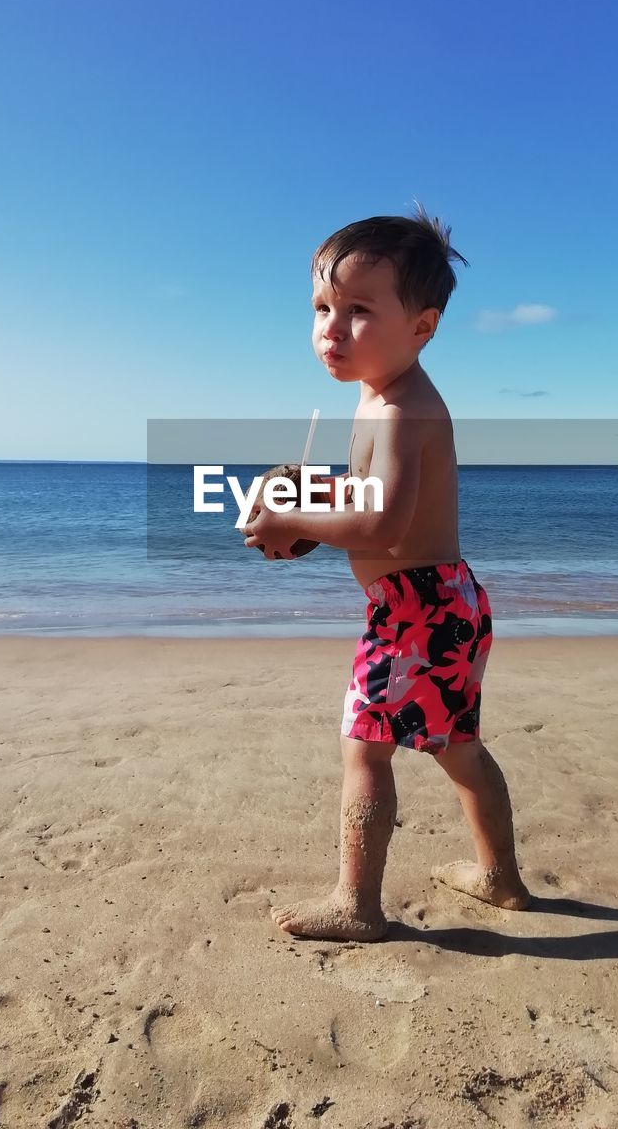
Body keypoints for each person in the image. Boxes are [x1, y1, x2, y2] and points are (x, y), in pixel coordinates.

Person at [242, 204, 530, 941]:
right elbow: (374, 499)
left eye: (359, 311)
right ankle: (500, 878)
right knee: (457, 745)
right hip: (446, 600)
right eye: (321, 308)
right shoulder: (381, 399)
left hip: (414, 608)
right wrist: (316, 495)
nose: (331, 330)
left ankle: (357, 905)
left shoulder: (404, 412)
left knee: (363, 748)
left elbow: (385, 528)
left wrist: (294, 523)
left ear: (422, 326)